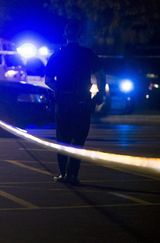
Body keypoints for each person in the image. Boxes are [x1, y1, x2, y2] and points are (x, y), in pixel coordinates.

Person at [45, 19, 105, 185]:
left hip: (63, 101)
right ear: (80, 35)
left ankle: (63, 173)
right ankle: (73, 175)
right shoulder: (88, 54)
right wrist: (100, 93)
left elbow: (48, 79)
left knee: (62, 139)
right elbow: (100, 76)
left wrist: (59, 89)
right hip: (82, 101)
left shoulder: (58, 54)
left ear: (65, 34)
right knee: (78, 139)